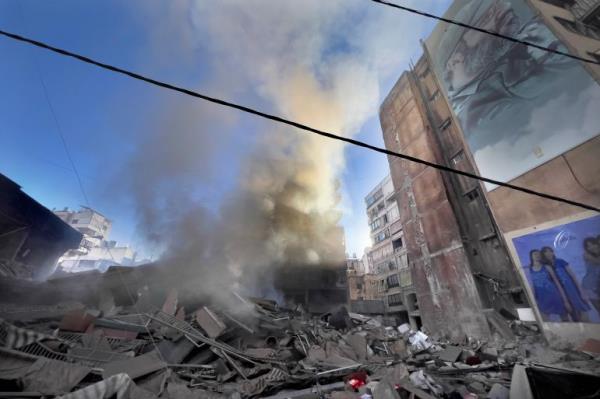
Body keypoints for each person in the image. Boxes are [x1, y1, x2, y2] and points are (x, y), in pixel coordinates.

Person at [541, 247, 591, 322]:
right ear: (543, 254)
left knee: (581, 313)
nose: (548, 253)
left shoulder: (560, 261)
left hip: (571, 289)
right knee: (565, 314)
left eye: (550, 251)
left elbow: (573, 276)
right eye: (546, 252)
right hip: (558, 292)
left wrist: (581, 291)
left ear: (553, 252)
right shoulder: (544, 267)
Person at [527, 249, 568, 321]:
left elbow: (557, 282)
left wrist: (564, 299)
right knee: (545, 319)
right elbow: (532, 286)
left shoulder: (546, 267)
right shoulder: (528, 270)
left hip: (554, 295)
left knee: (564, 317)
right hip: (542, 298)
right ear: (531, 256)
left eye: (539, 254)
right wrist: (533, 299)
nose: (537, 256)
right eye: (535, 254)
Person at [582, 237, 600, 314]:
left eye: (593, 244)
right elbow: (597, 261)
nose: (591, 247)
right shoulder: (586, 255)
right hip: (589, 286)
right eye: (588, 246)